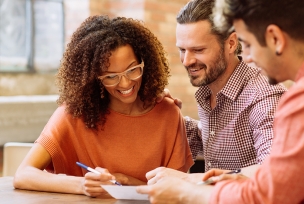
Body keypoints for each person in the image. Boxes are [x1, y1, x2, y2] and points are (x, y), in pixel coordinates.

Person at [136, 0, 304, 203]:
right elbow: (285, 176)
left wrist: (185, 192)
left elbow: (268, 195)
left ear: (275, 38)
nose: (246, 57)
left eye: (247, 44)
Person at [13, 15, 193, 197]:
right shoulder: (74, 113)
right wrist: (82, 185)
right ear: (95, 77)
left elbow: (177, 193)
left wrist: (125, 181)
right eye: (111, 76)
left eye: (132, 70)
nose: (124, 84)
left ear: (144, 63)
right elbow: (23, 174)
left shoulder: (168, 114)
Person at [146, 0, 286, 185]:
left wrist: (191, 180)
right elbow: (212, 137)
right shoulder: (208, 89)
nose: (187, 61)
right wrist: (165, 112)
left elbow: (275, 170)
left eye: (198, 50)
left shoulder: (264, 94)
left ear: (230, 43)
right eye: (182, 50)